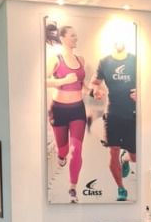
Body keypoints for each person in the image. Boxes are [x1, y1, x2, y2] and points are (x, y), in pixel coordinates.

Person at [46, 24, 92, 203]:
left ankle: (73, 187)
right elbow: (43, 80)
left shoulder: (81, 60)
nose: (76, 38)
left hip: (77, 110)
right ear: (63, 38)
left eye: (76, 35)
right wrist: (62, 81)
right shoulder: (55, 59)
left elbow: (82, 86)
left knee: (76, 150)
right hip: (58, 110)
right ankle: (60, 156)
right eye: (72, 36)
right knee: (64, 150)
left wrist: (93, 92)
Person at [92, 38, 137, 202]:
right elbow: (95, 82)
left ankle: (125, 159)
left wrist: (141, 92)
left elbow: (148, 82)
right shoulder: (105, 62)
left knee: (135, 156)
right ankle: (121, 188)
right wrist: (96, 91)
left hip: (132, 113)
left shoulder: (135, 60)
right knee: (113, 151)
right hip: (112, 113)